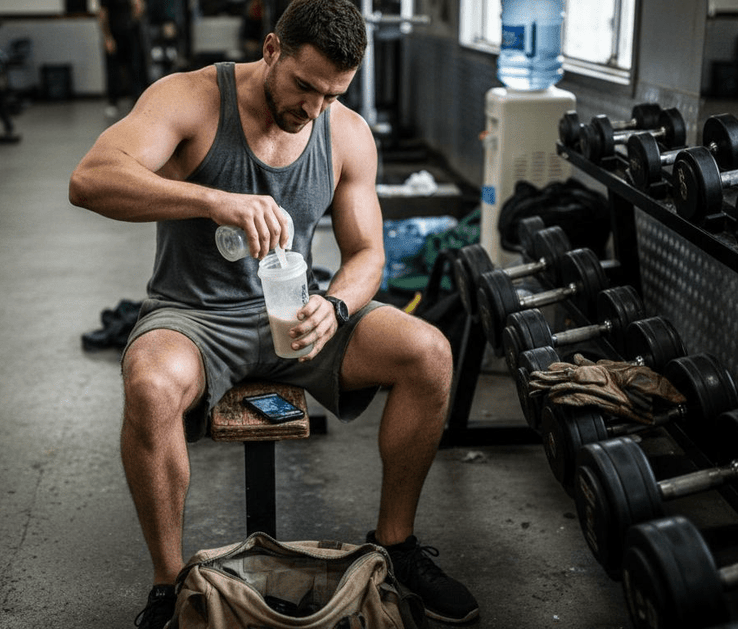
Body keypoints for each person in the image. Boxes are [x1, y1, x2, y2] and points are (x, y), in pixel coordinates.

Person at [68, 0, 481, 626]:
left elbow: (368, 253)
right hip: (194, 314)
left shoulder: (345, 131)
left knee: (428, 351)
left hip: (297, 314)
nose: (312, 108)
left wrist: (335, 303)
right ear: (271, 51)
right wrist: (213, 201)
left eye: (332, 94)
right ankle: (169, 583)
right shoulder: (192, 98)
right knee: (150, 386)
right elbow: (91, 180)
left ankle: (397, 546)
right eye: (304, 86)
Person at [98, 0, 151, 117]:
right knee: (113, 70)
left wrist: (137, 6)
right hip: (114, 35)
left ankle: (137, 101)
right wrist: (107, 37)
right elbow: (102, 15)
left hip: (131, 35)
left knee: (135, 68)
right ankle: (113, 103)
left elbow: (138, 13)